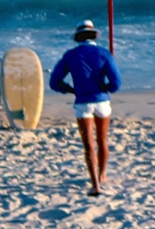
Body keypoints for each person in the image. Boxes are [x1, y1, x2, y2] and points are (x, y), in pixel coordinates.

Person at [49, 20, 122, 197]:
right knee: (102, 141)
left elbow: (54, 82)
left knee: (88, 144)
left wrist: (70, 89)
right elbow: (116, 83)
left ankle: (95, 184)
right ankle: (102, 174)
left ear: (78, 37)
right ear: (93, 36)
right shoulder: (104, 53)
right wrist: (106, 88)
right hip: (102, 101)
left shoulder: (70, 55)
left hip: (82, 102)